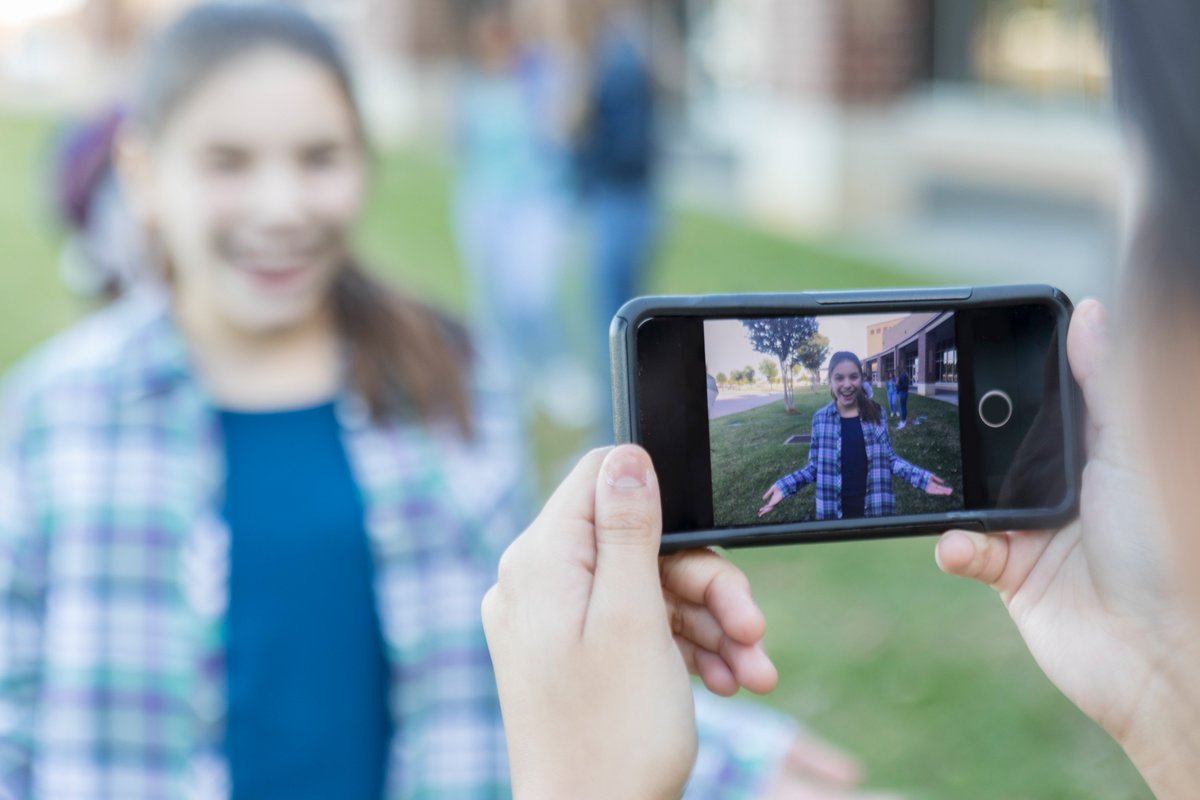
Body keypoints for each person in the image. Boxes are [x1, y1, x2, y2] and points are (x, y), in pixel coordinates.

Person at [0, 4, 882, 798]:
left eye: (318, 157)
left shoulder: (449, 376)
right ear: (144, 173)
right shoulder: (51, 417)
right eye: (227, 162)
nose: (281, 206)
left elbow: (503, 640)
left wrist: (725, 759)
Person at [484, 1, 1200, 796]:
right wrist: (1169, 677)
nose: (853, 382)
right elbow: (804, 475)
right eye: (846, 377)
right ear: (835, 384)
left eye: (858, 375)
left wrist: (929, 484)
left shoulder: (883, 419)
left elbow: (891, 460)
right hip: (837, 499)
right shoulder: (826, 420)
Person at [758, 352, 951, 521]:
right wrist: (784, 486)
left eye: (853, 377)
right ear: (830, 382)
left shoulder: (877, 412)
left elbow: (889, 459)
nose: (847, 385)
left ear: (861, 379)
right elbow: (814, 468)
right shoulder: (820, 419)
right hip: (832, 515)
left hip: (876, 511)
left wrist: (921, 478)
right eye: (839, 378)